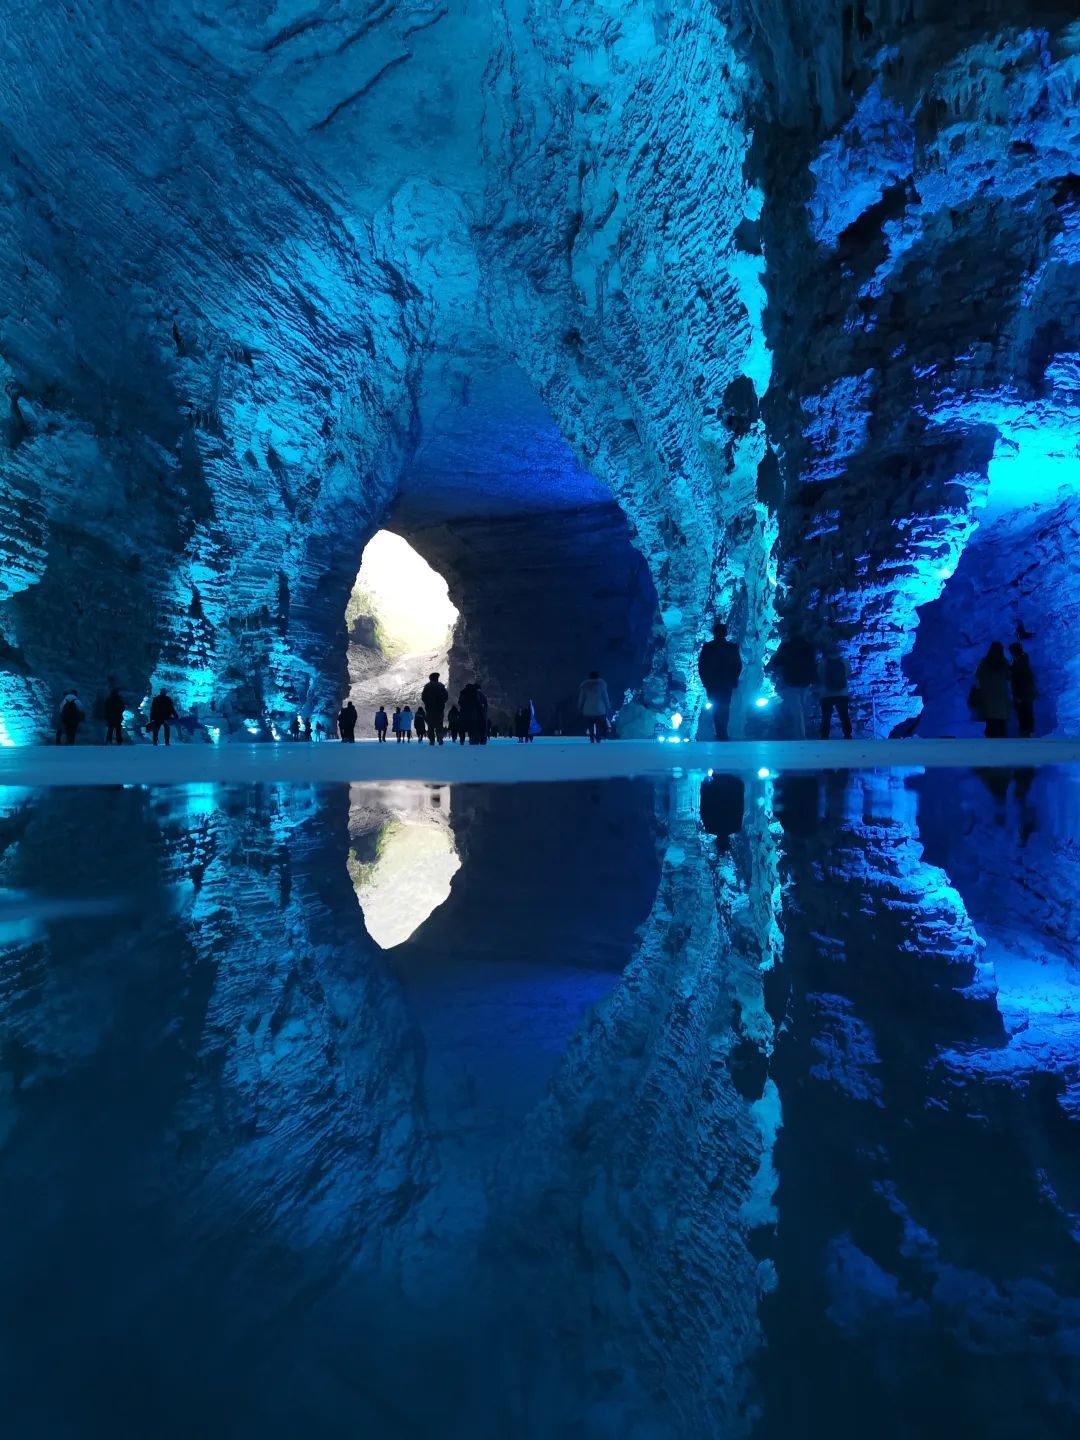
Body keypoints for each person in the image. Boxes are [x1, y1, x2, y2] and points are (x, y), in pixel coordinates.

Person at [698, 620, 743, 740]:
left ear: (714, 633)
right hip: (726, 683)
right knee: (724, 706)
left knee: (716, 706)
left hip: (713, 683)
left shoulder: (708, 647)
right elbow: (738, 665)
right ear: (725, 633)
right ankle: (723, 731)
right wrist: (733, 680)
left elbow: (702, 666)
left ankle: (720, 731)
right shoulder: (731, 647)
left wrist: (705, 682)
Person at [769, 629, 818, 738]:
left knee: (796, 709)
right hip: (806, 681)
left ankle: (799, 735)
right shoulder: (809, 646)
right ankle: (802, 732)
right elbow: (813, 663)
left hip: (791, 681)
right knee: (802, 707)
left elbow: (776, 662)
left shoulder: (786, 647)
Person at [975, 641, 1011, 738]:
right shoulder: (1004, 663)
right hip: (1000, 699)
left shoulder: (984, 663)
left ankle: (990, 744)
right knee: (1001, 727)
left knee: (990, 726)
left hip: (987, 698)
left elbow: (978, 675)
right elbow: (1009, 676)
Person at [818, 642, 853, 739]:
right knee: (844, 715)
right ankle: (847, 735)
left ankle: (824, 736)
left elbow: (820, 676)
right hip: (842, 693)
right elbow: (848, 673)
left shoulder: (822, 662)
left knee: (826, 717)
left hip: (826, 694)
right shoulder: (844, 661)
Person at [1009, 642, 1036, 738]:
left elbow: (1020, 679)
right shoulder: (1022, 660)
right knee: (1026, 712)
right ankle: (1028, 731)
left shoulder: (1020, 662)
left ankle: (1026, 732)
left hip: (1022, 693)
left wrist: (1019, 695)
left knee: (1024, 713)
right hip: (1025, 693)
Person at [577, 670, 611, 743]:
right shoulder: (602, 685)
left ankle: (592, 739)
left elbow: (581, 698)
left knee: (590, 726)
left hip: (587, 709)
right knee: (599, 726)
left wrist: (579, 706)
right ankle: (598, 739)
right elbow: (605, 696)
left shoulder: (585, 685)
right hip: (599, 709)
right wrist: (608, 705)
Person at [421, 673, 448, 745]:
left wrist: (427, 703)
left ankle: (431, 740)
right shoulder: (441, 686)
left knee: (430, 725)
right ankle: (440, 738)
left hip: (430, 709)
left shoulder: (427, 687)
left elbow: (423, 697)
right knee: (439, 724)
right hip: (439, 709)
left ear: (430, 678)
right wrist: (441, 702)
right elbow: (446, 697)